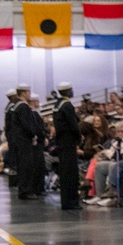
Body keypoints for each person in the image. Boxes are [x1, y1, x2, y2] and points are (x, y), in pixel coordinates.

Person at [7, 84, 47, 200]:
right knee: (26, 166)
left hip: (19, 141)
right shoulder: (23, 107)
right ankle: (25, 191)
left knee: (24, 166)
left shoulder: (16, 106)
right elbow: (27, 125)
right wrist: (33, 136)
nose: (29, 94)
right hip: (24, 142)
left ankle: (24, 190)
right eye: (28, 92)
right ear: (24, 93)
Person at [53, 82, 81, 210]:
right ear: (69, 91)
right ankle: (71, 201)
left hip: (61, 142)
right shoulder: (67, 105)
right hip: (69, 142)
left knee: (64, 173)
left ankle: (66, 201)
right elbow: (73, 125)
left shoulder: (57, 104)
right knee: (71, 173)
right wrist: (79, 138)